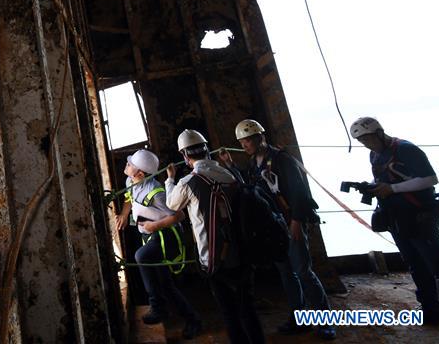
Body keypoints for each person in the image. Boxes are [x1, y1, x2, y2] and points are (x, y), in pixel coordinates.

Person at [219, 119, 335, 340]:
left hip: (291, 222)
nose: (245, 145)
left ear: (260, 137)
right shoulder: (255, 163)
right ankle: (299, 318)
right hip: (274, 226)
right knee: (287, 273)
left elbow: (299, 192)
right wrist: (231, 166)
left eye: (249, 140)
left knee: (302, 271)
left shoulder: (282, 160)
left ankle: (325, 322)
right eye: (242, 141)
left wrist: (297, 222)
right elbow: (250, 188)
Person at [166, 129, 265, 344]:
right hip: (241, 250)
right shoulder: (228, 175)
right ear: (207, 150)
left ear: (185, 156)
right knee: (247, 307)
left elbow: (171, 204)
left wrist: (170, 180)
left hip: (213, 257)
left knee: (228, 311)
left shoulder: (187, 183)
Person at [350, 116, 439, 325]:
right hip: (397, 218)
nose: (367, 144)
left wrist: (392, 189)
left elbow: (430, 179)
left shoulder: (406, 149)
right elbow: (385, 179)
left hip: (420, 217)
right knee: (416, 265)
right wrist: (371, 186)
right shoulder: (375, 155)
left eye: (369, 139)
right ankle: (432, 311)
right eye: (363, 142)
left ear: (379, 133)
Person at [115, 149, 202, 338]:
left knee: (141, 256)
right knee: (166, 284)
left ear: (140, 173)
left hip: (165, 234)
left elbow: (179, 215)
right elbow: (128, 198)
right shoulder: (131, 182)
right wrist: (124, 213)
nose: (126, 164)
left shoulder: (157, 193)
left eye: (130, 164)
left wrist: (155, 225)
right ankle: (192, 319)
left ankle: (157, 305)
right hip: (150, 234)